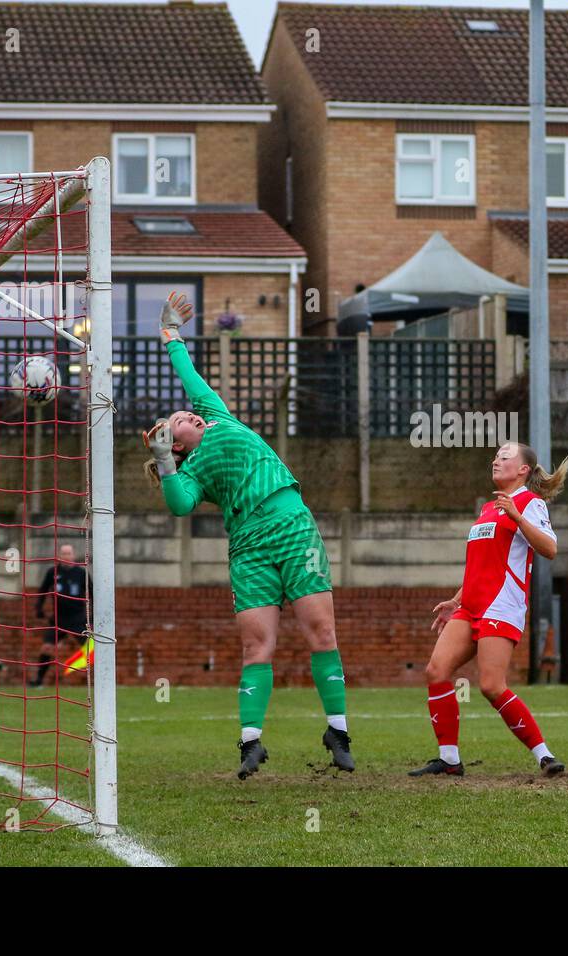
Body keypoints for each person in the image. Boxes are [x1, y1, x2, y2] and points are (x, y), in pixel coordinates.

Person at [142, 292, 353, 778]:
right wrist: (163, 461)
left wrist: (171, 333)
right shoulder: (188, 471)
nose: (189, 415)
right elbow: (179, 507)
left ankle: (337, 732)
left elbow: (190, 376)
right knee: (257, 646)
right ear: (176, 443)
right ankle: (251, 743)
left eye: (188, 413)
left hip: (292, 526)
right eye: (179, 421)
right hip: (250, 548)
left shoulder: (218, 417)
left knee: (321, 632)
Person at [409, 443, 568, 778]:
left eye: (505, 456)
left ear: (524, 469)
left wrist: (517, 517)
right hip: (471, 606)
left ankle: (544, 755)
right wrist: (456, 599)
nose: (496, 460)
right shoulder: (488, 508)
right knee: (436, 671)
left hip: (502, 604)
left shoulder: (529, 502)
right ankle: (449, 759)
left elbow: (550, 549)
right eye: (496, 456)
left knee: (491, 685)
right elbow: (484, 564)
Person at [31, 543, 90, 686]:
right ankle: (39, 681)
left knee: (91, 649)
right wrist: (38, 607)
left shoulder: (81, 573)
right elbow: (43, 590)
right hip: (58, 619)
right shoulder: (52, 572)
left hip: (78, 618)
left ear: (73, 556)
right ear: (59, 556)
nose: (66, 556)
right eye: (63, 553)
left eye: (69, 553)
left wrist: (92, 615)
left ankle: (98, 680)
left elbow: (92, 593)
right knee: (46, 647)